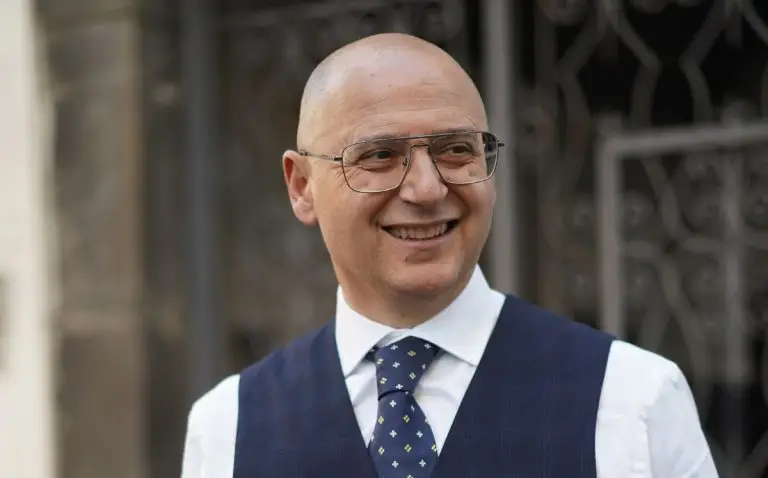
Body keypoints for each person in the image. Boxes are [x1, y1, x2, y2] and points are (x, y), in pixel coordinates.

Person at [181, 33, 718, 478]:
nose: (427, 189)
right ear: (302, 186)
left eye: (456, 150)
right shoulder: (228, 427)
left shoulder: (633, 399)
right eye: (380, 155)